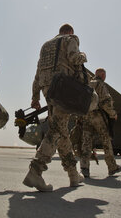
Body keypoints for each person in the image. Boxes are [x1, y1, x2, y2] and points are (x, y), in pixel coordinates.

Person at [23, 23, 87, 192]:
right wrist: (83, 55)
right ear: (70, 32)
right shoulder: (70, 39)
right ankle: (35, 171)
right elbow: (74, 58)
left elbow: (37, 73)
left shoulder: (46, 45)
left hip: (47, 89)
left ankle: (73, 174)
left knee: (61, 130)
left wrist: (35, 97)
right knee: (57, 130)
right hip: (63, 87)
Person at [79, 68, 121, 178]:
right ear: (102, 75)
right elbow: (105, 102)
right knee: (106, 140)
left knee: (86, 143)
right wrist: (113, 114)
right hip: (98, 116)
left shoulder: (87, 84)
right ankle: (112, 167)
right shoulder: (100, 85)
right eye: (104, 75)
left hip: (86, 116)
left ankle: (84, 168)